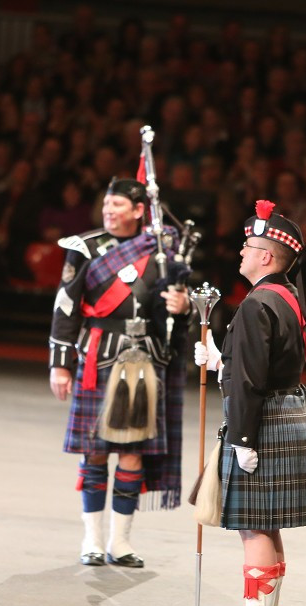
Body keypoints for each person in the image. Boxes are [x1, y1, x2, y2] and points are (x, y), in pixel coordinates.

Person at [193, 199, 306, 606]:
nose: (241, 252)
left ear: (267, 255)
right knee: (266, 526)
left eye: (248, 246)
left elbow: (248, 382)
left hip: (261, 423)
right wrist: (221, 359)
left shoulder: (255, 304)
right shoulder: (292, 298)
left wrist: (242, 440)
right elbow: (268, 364)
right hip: (288, 413)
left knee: (253, 527)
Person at [48, 178, 191, 568]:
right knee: (95, 453)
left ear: (139, 210)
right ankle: (91, 540)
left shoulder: (163, 252)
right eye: (106, 205)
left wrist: (183, 306)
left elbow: (176, 309)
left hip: (144, 359)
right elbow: (66, 308)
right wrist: (61, 364)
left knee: (133, 453)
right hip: (98, 357)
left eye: (117, 205)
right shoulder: (85, 248)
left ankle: (120, 543)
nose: (109, 211)